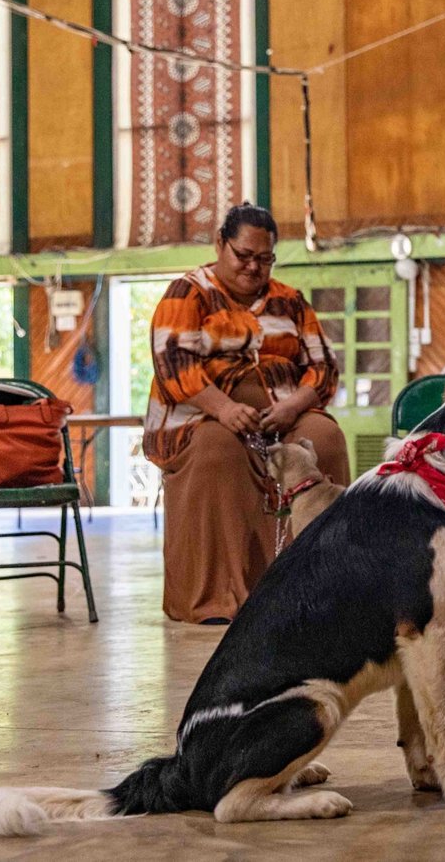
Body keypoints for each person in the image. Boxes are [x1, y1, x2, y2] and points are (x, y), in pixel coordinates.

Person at [143, 204, 351, 625]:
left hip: (285, 409)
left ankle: (323, 586)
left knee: (325, 439)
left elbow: (324, 366)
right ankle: (218, 599)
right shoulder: (188, 292)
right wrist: (224, 407)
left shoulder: (290, 301)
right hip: (203, 414)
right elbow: (173, 363)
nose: (254, 267)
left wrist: (295, 405)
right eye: (244, 255)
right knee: (219, 449)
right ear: (220, 243)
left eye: (265, 258)